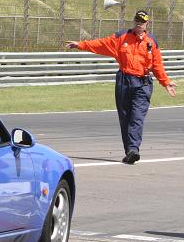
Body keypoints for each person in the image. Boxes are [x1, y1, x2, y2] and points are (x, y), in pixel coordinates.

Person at [66, 9, 176, 164]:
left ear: (147, 24)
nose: (139, 23)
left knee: (136, 117)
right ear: (134, 21)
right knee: (125, 117)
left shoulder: (151, 42)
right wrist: (80, 45)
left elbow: (157, 65)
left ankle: (133, 149)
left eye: (142, 21)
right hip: (124, 81)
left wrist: (166, 82)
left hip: (143, 83)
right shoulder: (121, 37)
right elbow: (101, 44)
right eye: (137, 20)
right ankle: (130, 151)